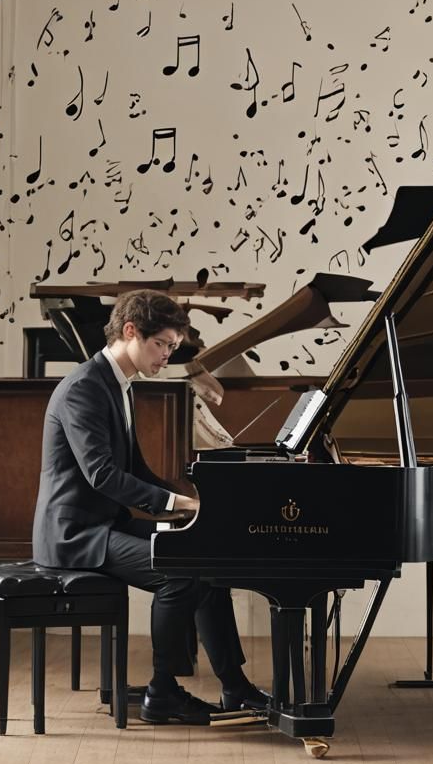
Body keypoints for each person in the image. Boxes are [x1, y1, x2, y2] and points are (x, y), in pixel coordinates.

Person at [32, 289, 267, 724]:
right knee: (178, 573)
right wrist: (178, 503)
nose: (165, 356)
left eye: (172, 348)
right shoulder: (85, 386)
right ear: (130, 331)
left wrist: (192, 507)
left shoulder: (118, 385)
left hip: (103, 524)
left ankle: (235, 688)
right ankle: (162, 693)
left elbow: (136, 470)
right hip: (74, 536)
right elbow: (101, 474)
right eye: (161, 345)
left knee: (206, 558)